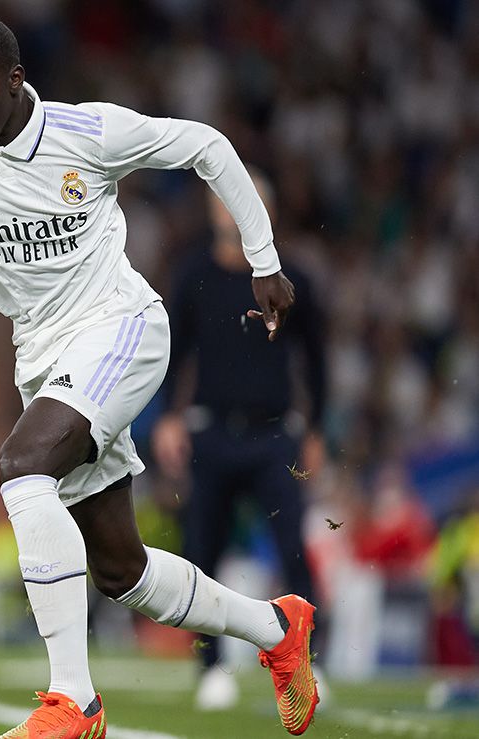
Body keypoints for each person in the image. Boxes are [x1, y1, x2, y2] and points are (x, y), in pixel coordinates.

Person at [0, 17, 317, 738]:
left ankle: (73, 701)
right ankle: (277, 627)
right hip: (40, 352)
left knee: (22, 465)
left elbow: (207, 145)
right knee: (120, 570)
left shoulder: (88, 133)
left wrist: (262, 259)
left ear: (15, 82)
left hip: (119, 325)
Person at [153, 171, 327, 711]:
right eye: (227, 200)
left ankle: (310, 661)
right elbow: (171, 350)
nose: (235, 210)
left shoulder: (292, 277)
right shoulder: (194, 274)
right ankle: (210, 667)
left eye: (247, 200)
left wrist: (316, 428)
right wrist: (168, 417)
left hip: (275, 435)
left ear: (267, 212)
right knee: (201, 552)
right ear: (213, 210)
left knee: (294, 549)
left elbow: (316, 358)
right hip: (210, 432)